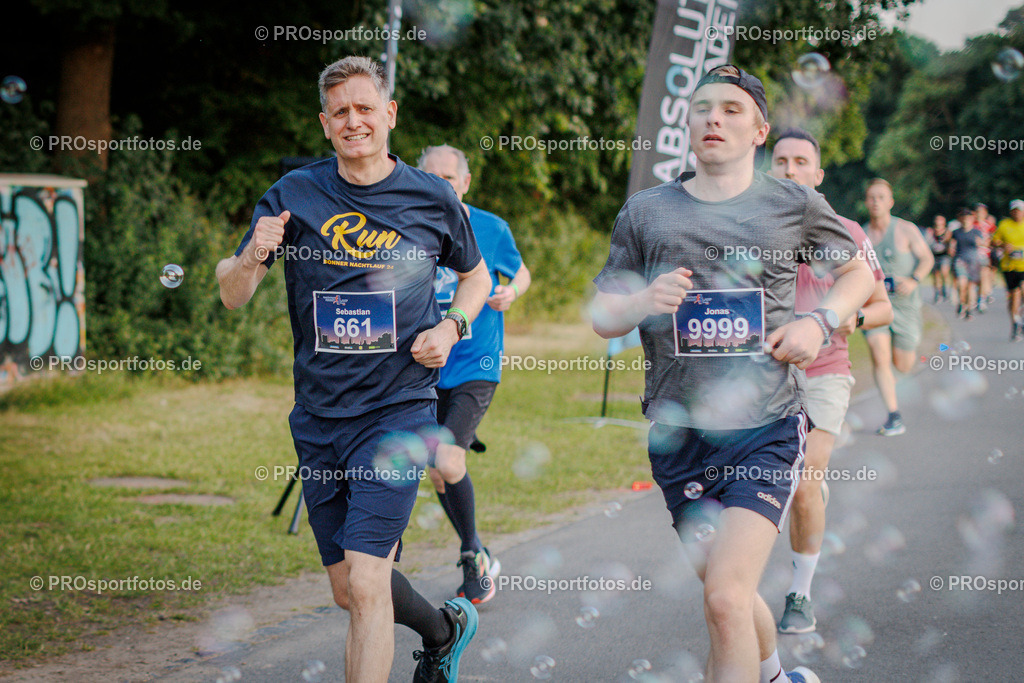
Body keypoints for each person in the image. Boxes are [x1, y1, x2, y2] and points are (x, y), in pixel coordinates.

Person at [592, 65, 874, 683]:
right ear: (687, 126)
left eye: (731, 109)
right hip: (680, 435)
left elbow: (857, 275)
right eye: (702, 108)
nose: (714, 118)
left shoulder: (793, 204)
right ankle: (774, 675)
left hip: (765, 426)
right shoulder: (646, 212)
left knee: (722, 599)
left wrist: (817, 323)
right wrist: (642, 300)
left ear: (759, 130)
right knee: (735, 596)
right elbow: (602, 317)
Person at [216, 56, 491, 683]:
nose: (354, 121)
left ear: (390, 114)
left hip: (399, 411)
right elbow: (232, 292)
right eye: (340, 111)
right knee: (349, 589)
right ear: (324, 123)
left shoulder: (432, 196)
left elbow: (476, 277)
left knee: (367, 583)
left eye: (366, 108)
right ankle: (444, 630)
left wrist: (452, 327)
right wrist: (254, 254)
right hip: (318, 418)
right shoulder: (294, 194)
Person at [768, 128, 892, 635]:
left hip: (824, 371)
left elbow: (882, 307)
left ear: (818, 176)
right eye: (780, 161)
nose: (791, 169)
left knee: (803, 481)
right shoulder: (746, 228)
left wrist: (851, 320)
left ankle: (799, 592)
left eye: (801, 161)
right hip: (761, 376)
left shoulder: (846, 232)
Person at [418, 144, 531, 604]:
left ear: (465, 182)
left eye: (451, 177)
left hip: (475, 362)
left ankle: (470, 553)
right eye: (433, 177)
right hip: (423, 365)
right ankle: (480, 549)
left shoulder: (490, 226)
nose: (443, 185)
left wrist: (510, 293)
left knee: (446, 460)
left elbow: (521, 272)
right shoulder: (407, 225)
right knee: (438, 470)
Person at [862, 179, 934, 436]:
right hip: (876, 307)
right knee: (878, 353)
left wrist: (914, 280)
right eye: (871, 197)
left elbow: (927, 258)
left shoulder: (905, 229)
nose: (876, 202)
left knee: (902, 364)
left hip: (906, 307)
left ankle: (900, 369)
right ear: (866, 201)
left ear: (890, 202)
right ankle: (894, 415)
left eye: (881, 197)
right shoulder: (861, 235)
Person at [993, 199, 1024, 341]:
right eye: (1014, 210)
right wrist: (1003, 245)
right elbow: (994, 241)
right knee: (1014, 295)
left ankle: (1020, 317)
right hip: (1009, 266)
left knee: (1022, 290)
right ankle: (1015, 322)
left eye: (1019, 210)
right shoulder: (1004, 225)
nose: (1017, 213)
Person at [950, 208, 984, 320]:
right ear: (960, 219)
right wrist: (950, 248)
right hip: (960, 260)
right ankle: (961, 302)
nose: (966, 220)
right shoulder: (956, 232)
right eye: (963, 218)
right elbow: (951, 244)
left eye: (968, 218)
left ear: (972, 219)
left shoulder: (976, 232)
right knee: (961, 284)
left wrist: (982, 242)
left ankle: (969, 309)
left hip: (973, 261)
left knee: (970, 286)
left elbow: (984, 243)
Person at [975, 203, 998, 310]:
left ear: (985, 213)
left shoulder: (989, 225)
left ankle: (982, 297)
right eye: (977, 212)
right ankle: (981, 294)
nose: (979, 214)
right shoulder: (971, 224)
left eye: (981, 212)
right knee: (977, 278)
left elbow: (995, 237)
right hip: (973, 254)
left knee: (984, 274)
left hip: (985, 254)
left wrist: (990, 242)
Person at [928, 215, 953, 303]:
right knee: (936, 275)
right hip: (934, 255)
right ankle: (937, 293)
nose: (938, 222)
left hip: (944, 255)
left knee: (944, 272)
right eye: (937, 220)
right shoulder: (931, 231)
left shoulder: (947, 232)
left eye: (940, 220)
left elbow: (950, 242)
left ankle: (946, 291)